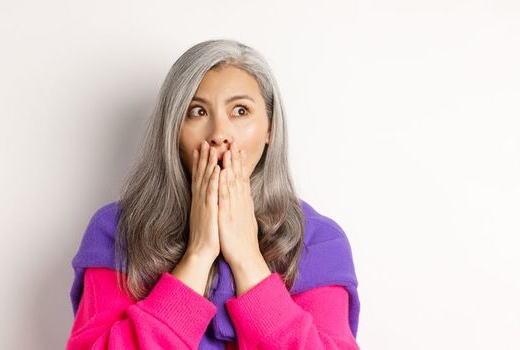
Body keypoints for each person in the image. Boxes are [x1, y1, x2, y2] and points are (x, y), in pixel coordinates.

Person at [65, 39, 360, 349]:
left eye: (240, 111)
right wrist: (199, 252)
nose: (219, 133)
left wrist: (247, 258)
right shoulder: (116, 230)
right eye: (197, 111)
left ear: (270, 128)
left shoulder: (320, 239)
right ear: (174, 130)